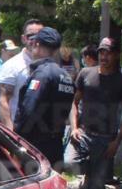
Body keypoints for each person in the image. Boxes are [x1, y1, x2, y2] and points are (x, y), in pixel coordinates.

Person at [69, 37, 122, 189]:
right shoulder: (85, 73)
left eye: (108, 52)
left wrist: (117, 141)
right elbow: (73, 103)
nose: (104, 56)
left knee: (97, 183)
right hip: (84, 135)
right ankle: (89, 173)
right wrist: (74, 127)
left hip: (106, 138)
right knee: (68, 161)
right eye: (101, 52)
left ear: (116, 55)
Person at [13, 27, 76, 170]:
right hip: (56, 146)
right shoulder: (66, 76)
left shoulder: (42, 74)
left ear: (36, 44)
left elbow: (28, 111)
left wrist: (16, 141)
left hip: (35, 149)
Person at [0, 19, 44, 129]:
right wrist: (10, 133)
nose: (35, 40)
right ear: (23, 39)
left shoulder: (49, 65)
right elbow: (3, 101)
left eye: (39, 36)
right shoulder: (12, 66)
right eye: (30, 36)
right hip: (20, 132)